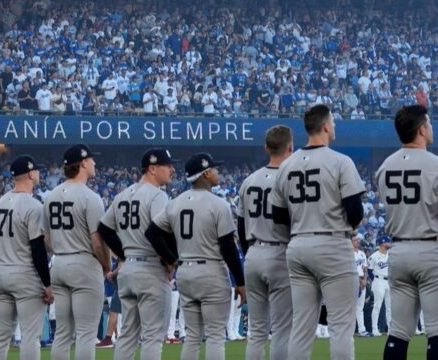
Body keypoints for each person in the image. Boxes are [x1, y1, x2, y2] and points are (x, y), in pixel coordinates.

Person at [270, 104, 365, 360]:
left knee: (301, 328)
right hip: (332, 244)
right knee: (341, 327)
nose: (334, 126)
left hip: (299, 245)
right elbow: (355, 212)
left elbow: (278, 216)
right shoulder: (340, 161)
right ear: (325, 126)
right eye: (332, 122)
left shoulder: (286, 165)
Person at [376, 104, 438, 360]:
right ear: (421, 130)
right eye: (429, 123)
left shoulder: (384, 166)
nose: (431, 127)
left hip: (399, 249)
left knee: (398, 332)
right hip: (432, 248)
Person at [146, 152, 247, 360]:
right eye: (214, 169)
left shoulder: (175, 202)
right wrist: (240, 281)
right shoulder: (219, 204)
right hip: (211, 271)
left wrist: (172, 259)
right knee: (215, 336)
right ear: (206, 173)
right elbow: (228, 247)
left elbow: (152, 232)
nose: (218, 172)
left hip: (185, 271)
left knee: (192, 337)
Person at [97, 148, 178, 360]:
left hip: (129, 269)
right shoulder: (157, 195)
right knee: (153, 336)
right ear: (152, 168)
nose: (172, 169)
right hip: (151, 268)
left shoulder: (122, 195)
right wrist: (171, 260)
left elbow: (104, 229)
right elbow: (158, 232)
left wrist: (124, 254)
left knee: (128, 335)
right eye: (167, 165)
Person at [44, 145, 110, 360]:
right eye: (91, 160)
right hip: (84, 262)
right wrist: (107, 266)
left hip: (59, 262)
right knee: (86, 333)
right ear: (83, 163)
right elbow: (98, 242)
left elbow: (47, 239)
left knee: (62, 333)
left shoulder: (51, 196)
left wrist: (62, 250)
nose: (94, 163)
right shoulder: (90, 197)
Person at [0, 155, 54, 360]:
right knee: (30, 336)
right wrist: (47, 283)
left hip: (3, 272)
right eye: (36, 170)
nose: (39, 173)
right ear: (30, 174)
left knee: (0, 335)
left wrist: (0, 272)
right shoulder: (33, 205)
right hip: (26, 274)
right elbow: (37, 249)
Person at [236, 125, 294, 360]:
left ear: (266, 148)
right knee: (281, 331)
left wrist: (249, 253)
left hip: (253, 253)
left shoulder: (249, 180)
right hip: (279, 252)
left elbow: (241, 227)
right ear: (290, 147)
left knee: (257, 331)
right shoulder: (290, 177)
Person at [368, 236, 391, 337]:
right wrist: (375, 280)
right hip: (379, 280)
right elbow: (369, 271)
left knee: (390, 307)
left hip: (389, 281)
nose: (389, 244)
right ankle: (374, 329)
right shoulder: (374, 256)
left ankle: (390, 329)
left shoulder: (391, 254)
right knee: (377, 306)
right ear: (382, 244)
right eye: (387, 242)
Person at [353, 235, 368, 337]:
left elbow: (365, 268)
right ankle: (349, 331)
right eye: (355, 240)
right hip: (353, 280)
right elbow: (350, 270)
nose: (357, 242)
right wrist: (360, 281)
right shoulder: (348, 254)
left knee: (360, 307)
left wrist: (365, 280)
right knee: (351, 308)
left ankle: (362, 330)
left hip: (363, 280)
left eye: (358, 240)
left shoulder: (362, 253)